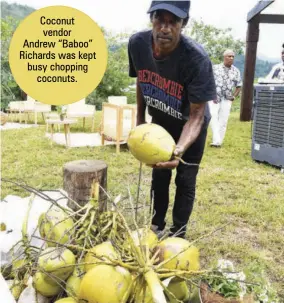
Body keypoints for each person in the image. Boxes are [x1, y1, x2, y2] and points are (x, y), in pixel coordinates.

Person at [127, 1, 216, 238]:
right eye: (159, 19)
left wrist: (179, 150)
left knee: (186, 180)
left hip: (190, 127)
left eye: (172, 21)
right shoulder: (137, 44)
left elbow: (197, 116)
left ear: (183, 24)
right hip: (160, 122)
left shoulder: (196, 59)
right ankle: (156, 225)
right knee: (159, 176)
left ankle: (179, 233)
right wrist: (139, 121)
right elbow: (141, 79)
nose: (164, 28)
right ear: (151, 20)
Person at [208, 49, 242, 147]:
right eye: (229, 56)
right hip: (215, 97)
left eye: (232, 56)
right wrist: (211, 94)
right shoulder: (215, 68)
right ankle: (217, 139)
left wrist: (234, 96)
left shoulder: (236, 71)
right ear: (224, 57)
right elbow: (209, 81)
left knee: (223, 120)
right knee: (213, 116)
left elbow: (239, 85)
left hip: (227, 99)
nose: (231, 58)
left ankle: (218, 142)